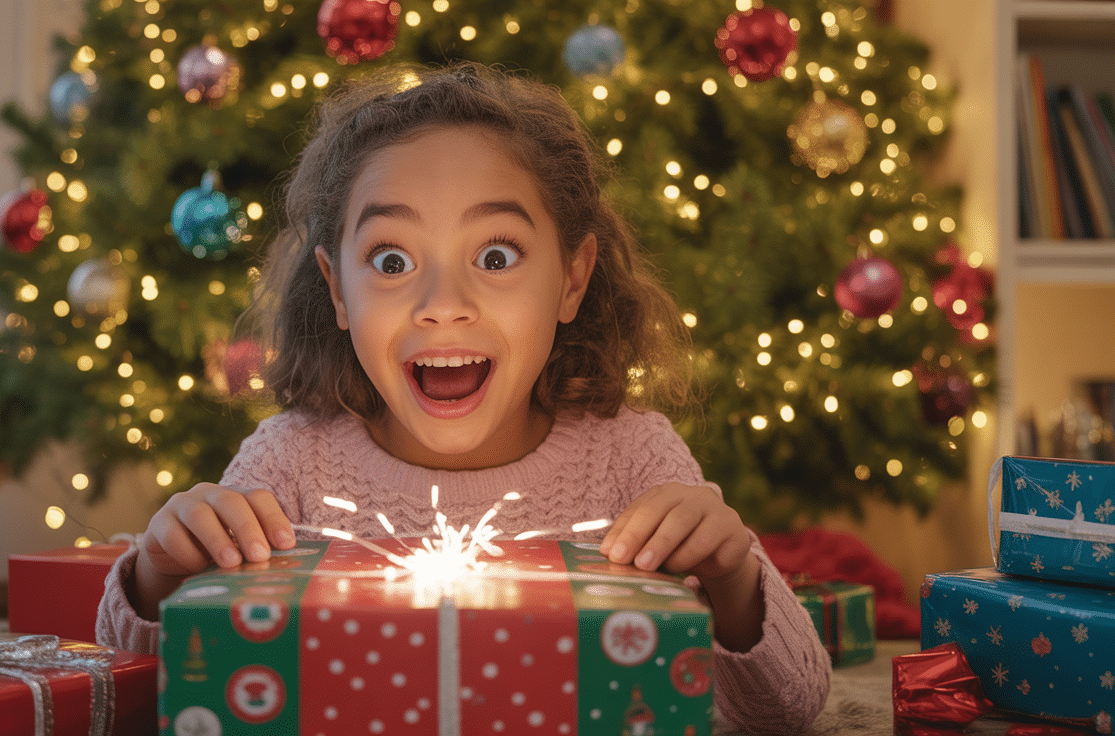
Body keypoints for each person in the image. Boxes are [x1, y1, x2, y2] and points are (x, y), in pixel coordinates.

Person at [97, 61, 830, 733]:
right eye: (390, 260)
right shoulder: (292, 462)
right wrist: (159, 575)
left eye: (495, 256)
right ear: (336, 289)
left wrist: (732, 580)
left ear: (572, 278)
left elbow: (792, 708)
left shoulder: (630, 455)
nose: (442, 304)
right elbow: (127, 698)